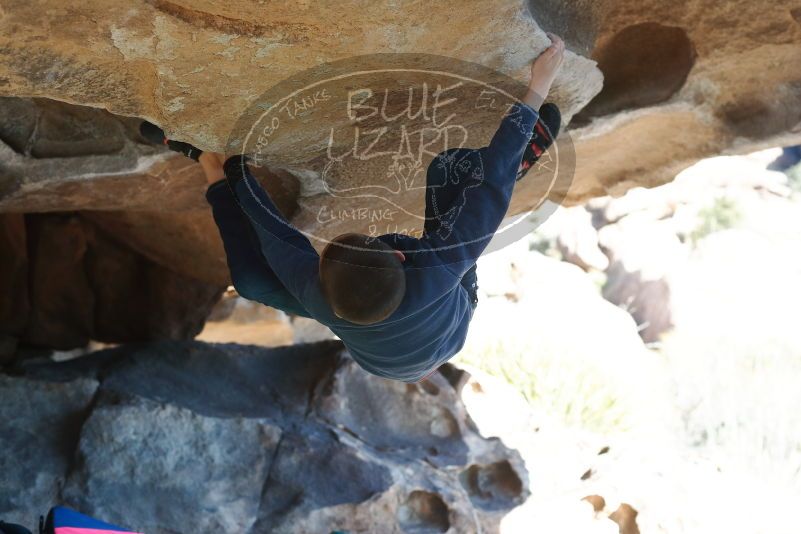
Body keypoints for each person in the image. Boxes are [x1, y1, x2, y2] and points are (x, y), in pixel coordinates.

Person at [140, 34, 566, 383]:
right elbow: (490, 189)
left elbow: (274, 236)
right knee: (451, 172)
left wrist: (232, 167)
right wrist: (539, 86)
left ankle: (205, 160)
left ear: (322, 276)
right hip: (447, 329)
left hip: (382, 353)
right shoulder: (440, 268)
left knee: (252, 282)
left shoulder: (317, 294)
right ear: (401, 256)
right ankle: (519, 163)